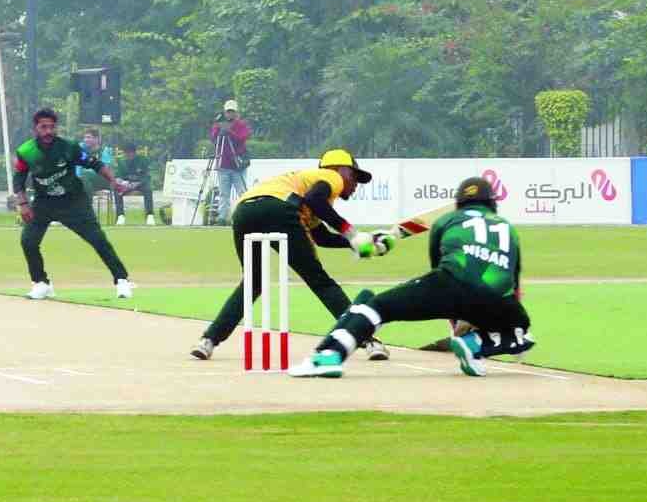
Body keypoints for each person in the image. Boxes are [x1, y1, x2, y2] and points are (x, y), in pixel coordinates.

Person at [290, 176, 535, 378]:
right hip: (497, 298)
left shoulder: (448, 220)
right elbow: (513, 286)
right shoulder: (507, 227)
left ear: (460, 203)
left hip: (450, 283)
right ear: (492, 203)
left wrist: (455, 322)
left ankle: (330, 356)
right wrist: (508, 329)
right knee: (521, 327)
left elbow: (440, 271)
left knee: (375, 307)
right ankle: (476, 344)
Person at [191, 150, 392, 362]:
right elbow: (316, 201)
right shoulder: (330, 178)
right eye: (354, 176)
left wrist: (358, 243)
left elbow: (321, 237)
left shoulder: (304, 187)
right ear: (340, 170)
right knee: (320, 281)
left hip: (244, 212)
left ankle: (207, 341)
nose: (355, 184)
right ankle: (367, 340)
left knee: (253, 283)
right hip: (280, 210)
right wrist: (352, 233)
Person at [13, 108, 136, 300]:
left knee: (98, 240)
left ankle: (122, 280)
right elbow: (18, 179)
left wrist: (113, 180)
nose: (48, 132)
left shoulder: (68, 147)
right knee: (28, 241)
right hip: (44, 202)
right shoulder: (26, 151)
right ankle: (41, 283)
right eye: (43, 127)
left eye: (52, 127)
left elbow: (95, 164)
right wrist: (23, 203)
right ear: (35, 129)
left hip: (73, 201)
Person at [209, 100, 251, 224]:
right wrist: (218, 129)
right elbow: (213, 139)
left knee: (242, 192)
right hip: (223, 165)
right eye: (228, 111)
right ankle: (222, 217)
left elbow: (242, 138)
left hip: (237, 166)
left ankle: (245, 216)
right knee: (223, 193)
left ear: (236, 112)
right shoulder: (219, 124)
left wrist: (230, 133)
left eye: (232, 111)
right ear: (225, 112)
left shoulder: (241, 125)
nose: (229, 114)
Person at [77, 128, 122, 221]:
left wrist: (85, 173)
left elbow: (104, 169)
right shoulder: (82, 150)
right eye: (84, 137)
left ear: (97, 139)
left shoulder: (105, 151)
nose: (86, 140)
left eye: (89, 137)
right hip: (86, 181)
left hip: (103, 179)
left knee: (84, 175)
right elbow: (77, 167)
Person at [116, 142, 156, 226]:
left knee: (148, 189)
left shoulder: (143, 160)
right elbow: (118, 176)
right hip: (126, 185)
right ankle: (120, 216)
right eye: (126, 153)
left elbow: (147, 176)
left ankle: (150, 215)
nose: (128, 155)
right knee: (117, 190)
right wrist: (123, 182)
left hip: (140, 184)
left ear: (134, 152)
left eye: (130, 153)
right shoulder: (121, 161)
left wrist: (137, 183)